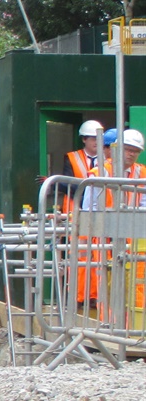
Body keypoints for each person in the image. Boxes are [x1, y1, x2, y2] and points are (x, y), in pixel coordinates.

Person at [103, 130, 146, 324]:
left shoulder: (142, 172)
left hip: (134, 241)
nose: (131, 154)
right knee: (106, 288)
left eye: (135, 151)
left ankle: (132, 328)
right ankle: (107, 329)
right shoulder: (101, 172)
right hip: (104, 241)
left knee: (135, 288)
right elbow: (90, 207)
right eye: (128, 149)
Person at [65, 120, 104, 307]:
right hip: (77, 214)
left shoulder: (108, 161)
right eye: (92, 138)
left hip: (101, 214)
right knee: (80, 256)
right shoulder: (72, 158)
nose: (96, 142)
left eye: (99, 138)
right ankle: (78, 297)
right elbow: (67, 185)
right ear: (84, 139)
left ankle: (96, 296)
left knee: (100, 256)